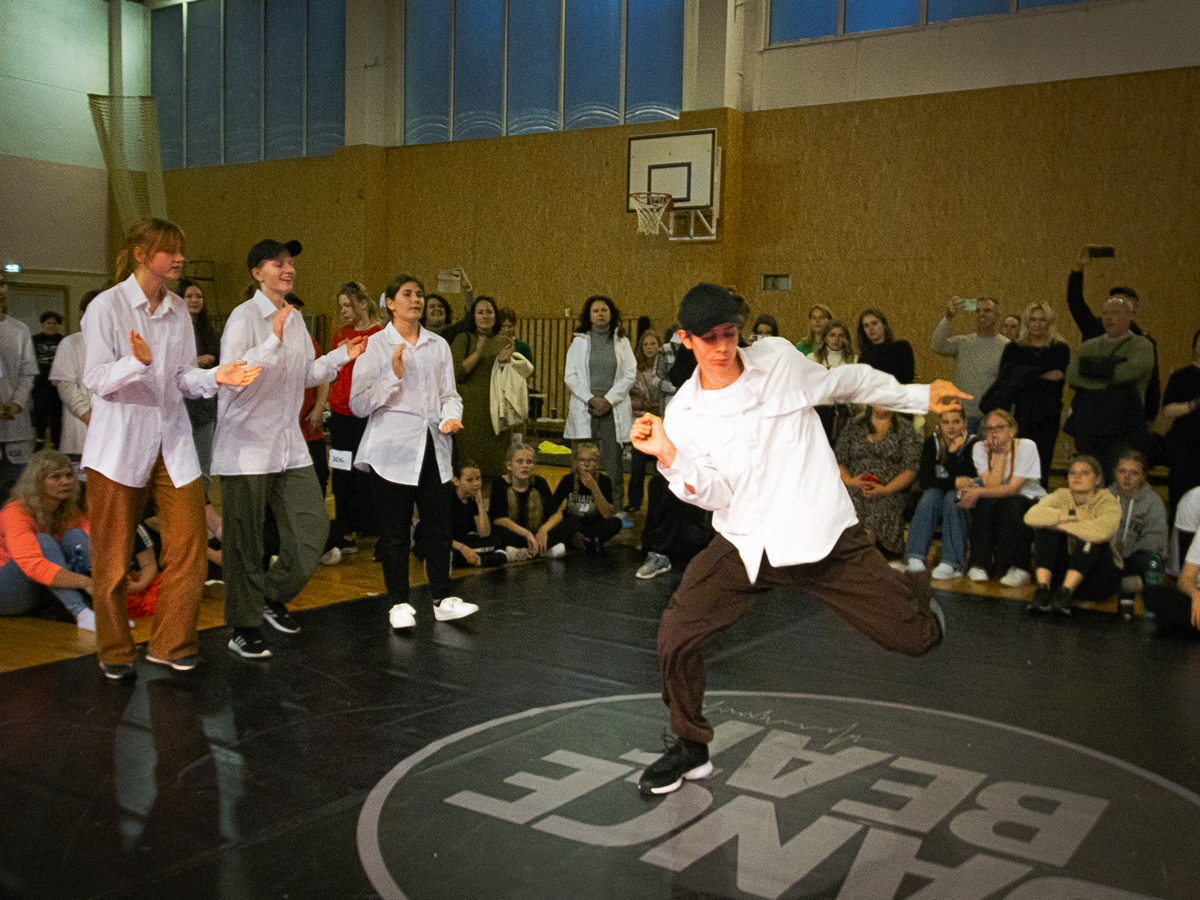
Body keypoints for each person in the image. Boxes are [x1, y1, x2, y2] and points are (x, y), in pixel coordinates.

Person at [630, 283, 961, 796]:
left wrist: (918, 396)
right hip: (747, 544)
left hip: (821, 538)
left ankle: (914, 591)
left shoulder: (778, 360)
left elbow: (845, 381)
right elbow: (714, 494)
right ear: (686, 339)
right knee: (676, 634)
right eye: (709, 338)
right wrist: (669, 455)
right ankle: (690, 747)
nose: (722, 346)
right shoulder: (685, 415)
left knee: (915, 640)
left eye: (729, 333)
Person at [84, 218, 260, 679]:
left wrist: (216, 376)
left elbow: (182, 377)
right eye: (170, 250)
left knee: (189, 549)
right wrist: (135, 363)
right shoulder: (106, 306)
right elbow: (96, 379)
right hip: (118, 446)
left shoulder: (178, 307)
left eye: (181, 249)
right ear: (142, 254)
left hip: (173, 441)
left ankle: (171, 644)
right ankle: (115, 652)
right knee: (112, 557)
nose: (180, 257)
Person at [213, 239, 363, 660]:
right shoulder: (243, 318)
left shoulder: (294, 319)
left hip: (288, 445)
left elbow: (304, 375)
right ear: (256, 273)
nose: (288, 268)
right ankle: (244, 627)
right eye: (277, 262)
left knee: (312, 530)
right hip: (246, 446)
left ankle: (270, 595)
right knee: (244, 541)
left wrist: (339, 357)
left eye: (291, 261)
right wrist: (272, 342)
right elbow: (233, 377)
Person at [349, 273, 476, 630]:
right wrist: (392, 377)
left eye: (419, 294)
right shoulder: (376, 345)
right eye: (407, 294)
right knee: (395, 532)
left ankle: (442, 598)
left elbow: (450, 394)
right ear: (390, 303)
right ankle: (399, 603)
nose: (416, 299)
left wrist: (450, 416)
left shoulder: (438, 345)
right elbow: (358, 403)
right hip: (391, 451)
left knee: (438, 527)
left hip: (433, 445)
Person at [1064, 295, 1155, 482]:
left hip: (1123, 430)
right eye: (1105, 313)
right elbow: (1072, 375)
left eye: (1115, 313)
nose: (1108, 317)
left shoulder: (1142, 346)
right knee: (1088, 482)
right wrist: (1108, 379)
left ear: (1130, 315)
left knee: (1119, 482)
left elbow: (1127, 373)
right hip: (1089, 428)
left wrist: (1090, 375)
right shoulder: (1089, 345)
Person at [0, 451, 92, 627]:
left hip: (39, 592)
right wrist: (87, 582)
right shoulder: (14, 513)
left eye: (68, 475)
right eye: (55, 477)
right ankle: (80, 611)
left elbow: (94, 548)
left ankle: (94, 608)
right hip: (6, 590)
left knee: (76, 536)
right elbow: (33, 565)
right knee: (43, 541)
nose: (65, 481)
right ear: (37, 482)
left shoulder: (68, 512)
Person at [1067, 245, 1159, 421]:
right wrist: (1077, 269)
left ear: (1132, 311)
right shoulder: (1094, 331)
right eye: (1109, 308)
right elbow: (1072, 374)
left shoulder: (1144, 343)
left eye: (1119, 308)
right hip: (1092, 417)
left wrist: (1150, 417)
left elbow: (1148, 382)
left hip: (1126, 419)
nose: (1111, 315)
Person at [563, 295, 637, 512]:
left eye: (604, 310)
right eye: (595, 311)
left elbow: (630, 374)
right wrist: (591, 399)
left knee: (614, 464)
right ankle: (578, 507)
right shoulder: (579, 342)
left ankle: (615, 510)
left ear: (611, 314)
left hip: (612, 409)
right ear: (589, 316)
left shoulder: (622, 342)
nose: (600, 314)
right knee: (581, 461)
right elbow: (570, 376)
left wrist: (608, 400)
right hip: (585, 407)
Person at [326, 281, 383, 557]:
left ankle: (368, 525)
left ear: (362, 303)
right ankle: (344, 526)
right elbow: (331, 370)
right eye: (341, 306)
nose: (344, 311)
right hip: (340, 416)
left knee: (365, 472)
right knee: (341, 469)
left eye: (348, 305)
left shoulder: (379, 334)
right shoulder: (341, 335)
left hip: (366, 415)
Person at [986, 301, 1070, 488]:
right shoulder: (1013, 349)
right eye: (1033, 320)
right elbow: (1008, 383)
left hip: (1048, 416)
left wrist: (1025, 375)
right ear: (1026, 322)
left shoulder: (1060, 349)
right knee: (1018, 468)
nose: (1037, 324)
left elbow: (1056, 384)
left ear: (1049, 322)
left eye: (1042, 320)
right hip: (1020, 416)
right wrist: (1041, 376)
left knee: (1042, 469)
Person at [1024, 455, 1121, 615]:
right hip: (1061, 575)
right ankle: (1043, 590)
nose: (1077, 476)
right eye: (1072, 472)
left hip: (1097, 577)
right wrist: (1073, 514)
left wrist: (1060, 524)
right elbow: (1031, 516)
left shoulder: (1107, 501)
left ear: (1097, 479)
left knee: (1091, 536)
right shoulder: (1061, 495)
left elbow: (1101, 532)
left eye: (1085, 473)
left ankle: (1066, 593)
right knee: (1045, 529)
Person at [959, 409, 1045, 586]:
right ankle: (979, 564)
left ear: (1012, 430)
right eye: (989, 429)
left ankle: (1018, 567)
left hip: (1027, 496)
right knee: (986, 502)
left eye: (999, 427)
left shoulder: (1026, 446)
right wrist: (998, 455)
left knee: (1012, 503)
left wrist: (978, 491)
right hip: (997, 496)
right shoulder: (980, 448)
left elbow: (1014, 488)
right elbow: (992, 487)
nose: (994, 432)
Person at [835, 405, 921, 560]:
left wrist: (886, 488)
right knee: (850, 501)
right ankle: (854, 554)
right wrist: (851, 481)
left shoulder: (906, 429)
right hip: (854, 486)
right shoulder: (853, 425)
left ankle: (866, 553)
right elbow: (839, 461)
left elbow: (911, 469)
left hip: (891, 490)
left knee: (880, 504)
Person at [451, 296, 520, 478]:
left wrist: (504, 364)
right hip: (470, 414)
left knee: (496, 466)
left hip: (497, 413)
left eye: (489, 312)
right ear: (473, 316)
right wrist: (478, 352)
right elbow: (456, 373)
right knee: (469, 464)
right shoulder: (462, 339)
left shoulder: (504, 341)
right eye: (480, 312)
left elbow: (513, 378)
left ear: (495, 315)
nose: (485, 316)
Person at [905, 409, 976, 579]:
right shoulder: (932, 443)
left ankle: (951, 563)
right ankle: (915, 556)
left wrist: (953, 452)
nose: (951, 427)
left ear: (965, 423)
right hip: (936, 500)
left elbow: (968, 480)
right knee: (932, 494)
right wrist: (953, 481)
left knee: (952, 497)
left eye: (956, 421)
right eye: (946, 422)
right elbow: (925, 480)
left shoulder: (974, 444)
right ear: (940, 424)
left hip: (966, 501)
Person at [930, 296, 1008, 432]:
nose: (982, 314)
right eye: (978, 311)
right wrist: (948, 316)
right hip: (964, 417)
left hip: (993, 418)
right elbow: (937, 345)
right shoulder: (964, 342)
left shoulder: (1006, 346)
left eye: (987, 311)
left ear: (997, 315)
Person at [1108, 449, 1168, 615]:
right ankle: (1124, 587)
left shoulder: (1153, 502)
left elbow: (1155, 539)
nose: (1127, 477)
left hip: (1135, 557)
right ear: (1115, 473)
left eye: (1134, 473)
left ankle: (1146, 608)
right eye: (1122, 471)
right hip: (1110, 556)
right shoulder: (1105, 496)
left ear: (1143, 476)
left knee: (1151, 559)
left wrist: (1126, 554)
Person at [178, 279, 220, 492]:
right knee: (181, 464)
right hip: (180, 407)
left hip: (205, 407)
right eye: (189, 296)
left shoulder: (210, 332)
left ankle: (204, 500)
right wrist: (196, 362)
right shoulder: (174, 329)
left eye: (199, 296)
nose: (194, 300)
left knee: (204, 463)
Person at [49, 290, 99, 465]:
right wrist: (90, 417)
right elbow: (66, 388)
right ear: (82, 314)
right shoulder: (70, 343)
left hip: (112, 435)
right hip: (79, 434)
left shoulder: (118, 344)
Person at [489, 442, 563, 558]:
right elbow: (499, 519)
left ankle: (529, 550)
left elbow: (557, 514)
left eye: (529, 462)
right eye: (520, 461)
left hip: (536, 531)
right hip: (517, 533)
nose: (525, 465)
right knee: (498, 533)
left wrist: (543, 530)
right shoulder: (500, 483)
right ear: (509, 465)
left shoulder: (539, 482)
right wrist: (526, 534)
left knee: (570, 523)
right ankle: (535, 550)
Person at [549, 441, 623, 554]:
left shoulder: (604, 481)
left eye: (591, 460)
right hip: (572, 525)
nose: (586, 464)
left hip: (593, 526)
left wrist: (594, 487)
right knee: (566, 523)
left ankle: (586, 541)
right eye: (582, 460)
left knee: (616, 522)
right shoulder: (567, 480)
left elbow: (607, 514)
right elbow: (552, 508)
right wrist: (572, 532)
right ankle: (589, 542)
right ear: (576, 463)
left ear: (597, 463)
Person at [0, 275, 38, 490]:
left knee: (14, 495)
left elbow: (28, 372)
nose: (1, 290)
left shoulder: (19, 329)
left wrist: (16, 404)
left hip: (14, 428)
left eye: (2, 284)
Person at [1159, 327, 1200, 516]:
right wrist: (1193, 405)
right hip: (1184, 449)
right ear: (1195, 347)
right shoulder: (1181, 376)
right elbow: (1167, 410)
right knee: (1181, 501)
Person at [627, 327, 667, 513]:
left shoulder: (666, 370)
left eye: (653, 343)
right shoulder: (635, 371)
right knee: (637, 466)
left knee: (662, 468)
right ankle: (634, 503)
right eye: (646, 344)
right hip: (642, 421)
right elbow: (632, 398)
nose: (650, 347)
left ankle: (659, 505)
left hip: (663, 423)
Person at [447, 459, 509, 568]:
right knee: (445, 552)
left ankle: (478, 560)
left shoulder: (473, 498)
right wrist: (462, 548)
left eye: (478, 478)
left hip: (466, 541)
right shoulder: (447, 499)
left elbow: (484, 534)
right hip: (449, 542)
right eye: (469, 480)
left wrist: (480, 503)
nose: (476, 484)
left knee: (496, 541)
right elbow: (440, 535)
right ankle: (484, 559)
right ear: (456, 481)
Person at [807, 319, 858, 443]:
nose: (836, 339)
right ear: (825, 338)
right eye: (832, 335)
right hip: (818, 411)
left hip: (843, 412)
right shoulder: (812, 359)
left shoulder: (854, 360)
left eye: (841, 335)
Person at [30, 311, 64, 451]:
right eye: (48, 323)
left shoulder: (63, 340)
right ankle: (39, 439)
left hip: (57, 382)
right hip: (40, 382)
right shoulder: (34, 340)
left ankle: (56, 441)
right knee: (40, 411)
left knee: (57, 412)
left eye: (54, 323)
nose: (51, 326)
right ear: (42, 324)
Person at [857, 307, 914, 384]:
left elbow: (907, 378)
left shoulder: (901, 347)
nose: (871, 328)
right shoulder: (864, 358)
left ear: (884, 325)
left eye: (874, 323)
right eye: (866, 326)